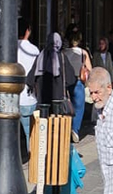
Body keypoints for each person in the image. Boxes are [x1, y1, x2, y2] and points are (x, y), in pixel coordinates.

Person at [26, 32, 75, 107]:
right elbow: (71, 79)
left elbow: (30, 80)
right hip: (58, 100)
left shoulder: (40, 57)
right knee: (57, 118)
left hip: (42, 100)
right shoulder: (62, 58)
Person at [62, 31, 92, 143]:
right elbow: (89, 69)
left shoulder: (64, 52)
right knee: (79, 107)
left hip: (66, 82)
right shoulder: (83, 53)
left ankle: (66, 129)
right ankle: (75, 130)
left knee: (66, 107)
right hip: (78, 82)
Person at [17, 18, 40, 149]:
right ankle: (31, 161)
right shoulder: (34, 50)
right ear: (28, 31)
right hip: (28, 96)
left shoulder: (9, 49)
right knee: (29, 134)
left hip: (11, 97)